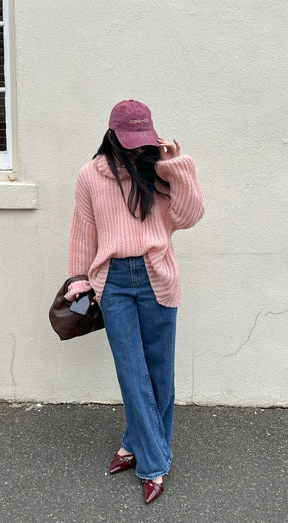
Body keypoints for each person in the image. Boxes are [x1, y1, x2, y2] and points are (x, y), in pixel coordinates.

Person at [65, 99, 204, 504]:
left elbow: (191, 215)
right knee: (132, 370)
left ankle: (131, 443)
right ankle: (154, 464)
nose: (136, 149)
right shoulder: (90, 175)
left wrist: (177, 166)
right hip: (114, 281)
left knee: (159, 371)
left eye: (143, 141)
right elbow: (82, 231)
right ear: (112, 135)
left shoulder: (158, 171)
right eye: (129, 141)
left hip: (157, 274)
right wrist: (77, 279)